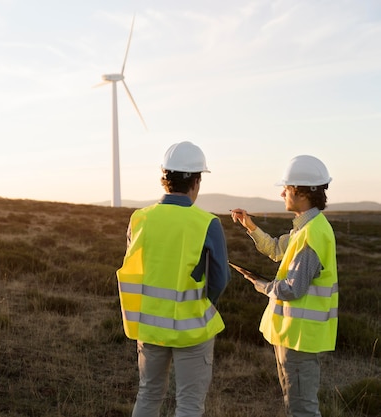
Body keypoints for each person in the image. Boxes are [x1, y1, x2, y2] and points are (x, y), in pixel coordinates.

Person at [117, 141, 230, 417]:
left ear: (164, 178)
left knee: (148, 394)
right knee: (189, 404)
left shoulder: (139, 218)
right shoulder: (207, 223)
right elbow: (220, 279)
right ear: (196, 181)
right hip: (192, 330)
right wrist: (203, 304)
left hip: (149, 325)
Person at [231, 155, 338, 417]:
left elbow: (292, 289)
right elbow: (278, 250)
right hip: (293, 335)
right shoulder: (305, 228)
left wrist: (262, 286)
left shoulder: (313, 234)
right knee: (295, 405)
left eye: (287, 189)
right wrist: (251, 226)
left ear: (302, 193)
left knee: (302, 410)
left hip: (300, 338)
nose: (282, 193)